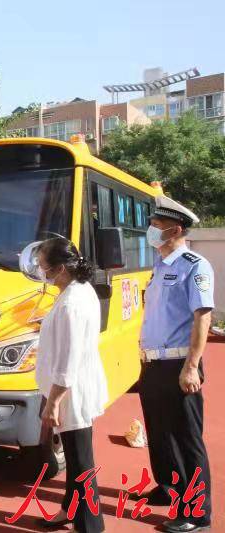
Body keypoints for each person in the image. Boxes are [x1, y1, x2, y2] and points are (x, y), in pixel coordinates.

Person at [139, 195, 214, 533]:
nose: (150, 231)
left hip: (178, 365)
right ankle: (171, 487)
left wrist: (192, 366)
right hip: (152, 364)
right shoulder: (159, 266)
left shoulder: (194, 265)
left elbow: (203, 318)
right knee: (159, 434)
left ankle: (197, 514)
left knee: (187, 439)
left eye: (156, 225)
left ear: (175, 229)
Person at [33, 237, 107, 533]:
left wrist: (53, 402)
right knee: (76, 458)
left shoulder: (72, 303)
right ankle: (69, 509)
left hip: (69, 393)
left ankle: (91, 526)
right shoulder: (76, 291)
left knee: (80, 460)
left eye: (43, 267)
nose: (40, 271)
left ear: (60, 268)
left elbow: (68, 359)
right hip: (71, 388)